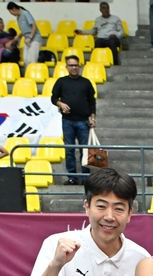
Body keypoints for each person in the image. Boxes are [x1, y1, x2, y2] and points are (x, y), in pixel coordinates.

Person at [51, 55, 96, 185]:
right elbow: (53, 98)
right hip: (67, 121)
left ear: (79, 66)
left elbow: (92, 102)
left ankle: (86, 178)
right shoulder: (61, 82)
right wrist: (61, 104)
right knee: (69, 150)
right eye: (71, 65)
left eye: (76, 65)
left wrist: (93, 118)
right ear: (66, 67)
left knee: (85, 150)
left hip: (83, 121)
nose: (74, 67)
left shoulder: (86, 83)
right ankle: (72, 177)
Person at [6, 2, 40, 67]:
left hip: (34, 39)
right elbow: (25, 30)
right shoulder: (18, 18)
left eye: (11, 12)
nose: (12, 14)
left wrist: (30, 37)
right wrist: (19, 36)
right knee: (26, 61)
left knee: (31, 61)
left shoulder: (25, 13)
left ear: (13, 9)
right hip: (27, 40)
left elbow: (34, 26)